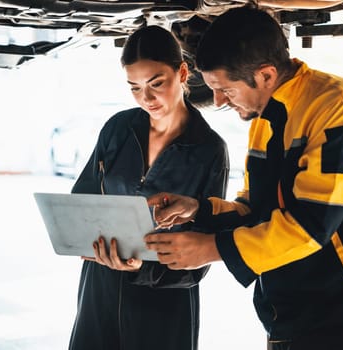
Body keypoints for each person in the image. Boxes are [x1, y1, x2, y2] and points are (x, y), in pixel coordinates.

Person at [145, 6, 343, 350]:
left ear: (265, 75)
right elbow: (256, 209)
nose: (219, 101)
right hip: (290, 312)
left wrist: (210, 248)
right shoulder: (265, 118)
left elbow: (309, 226)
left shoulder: (341, 107)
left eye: (225, 89)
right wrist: (198, 210)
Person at [68, 25, 229, 350]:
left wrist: (143, 266)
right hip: (100, 290)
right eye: (135, 88)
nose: (147, 98)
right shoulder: (117, 128)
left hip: (164, 305)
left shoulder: (209, 149)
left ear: (182, 73)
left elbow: (205, 249)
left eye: (157, 84)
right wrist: (83, 238)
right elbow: (83, 200)